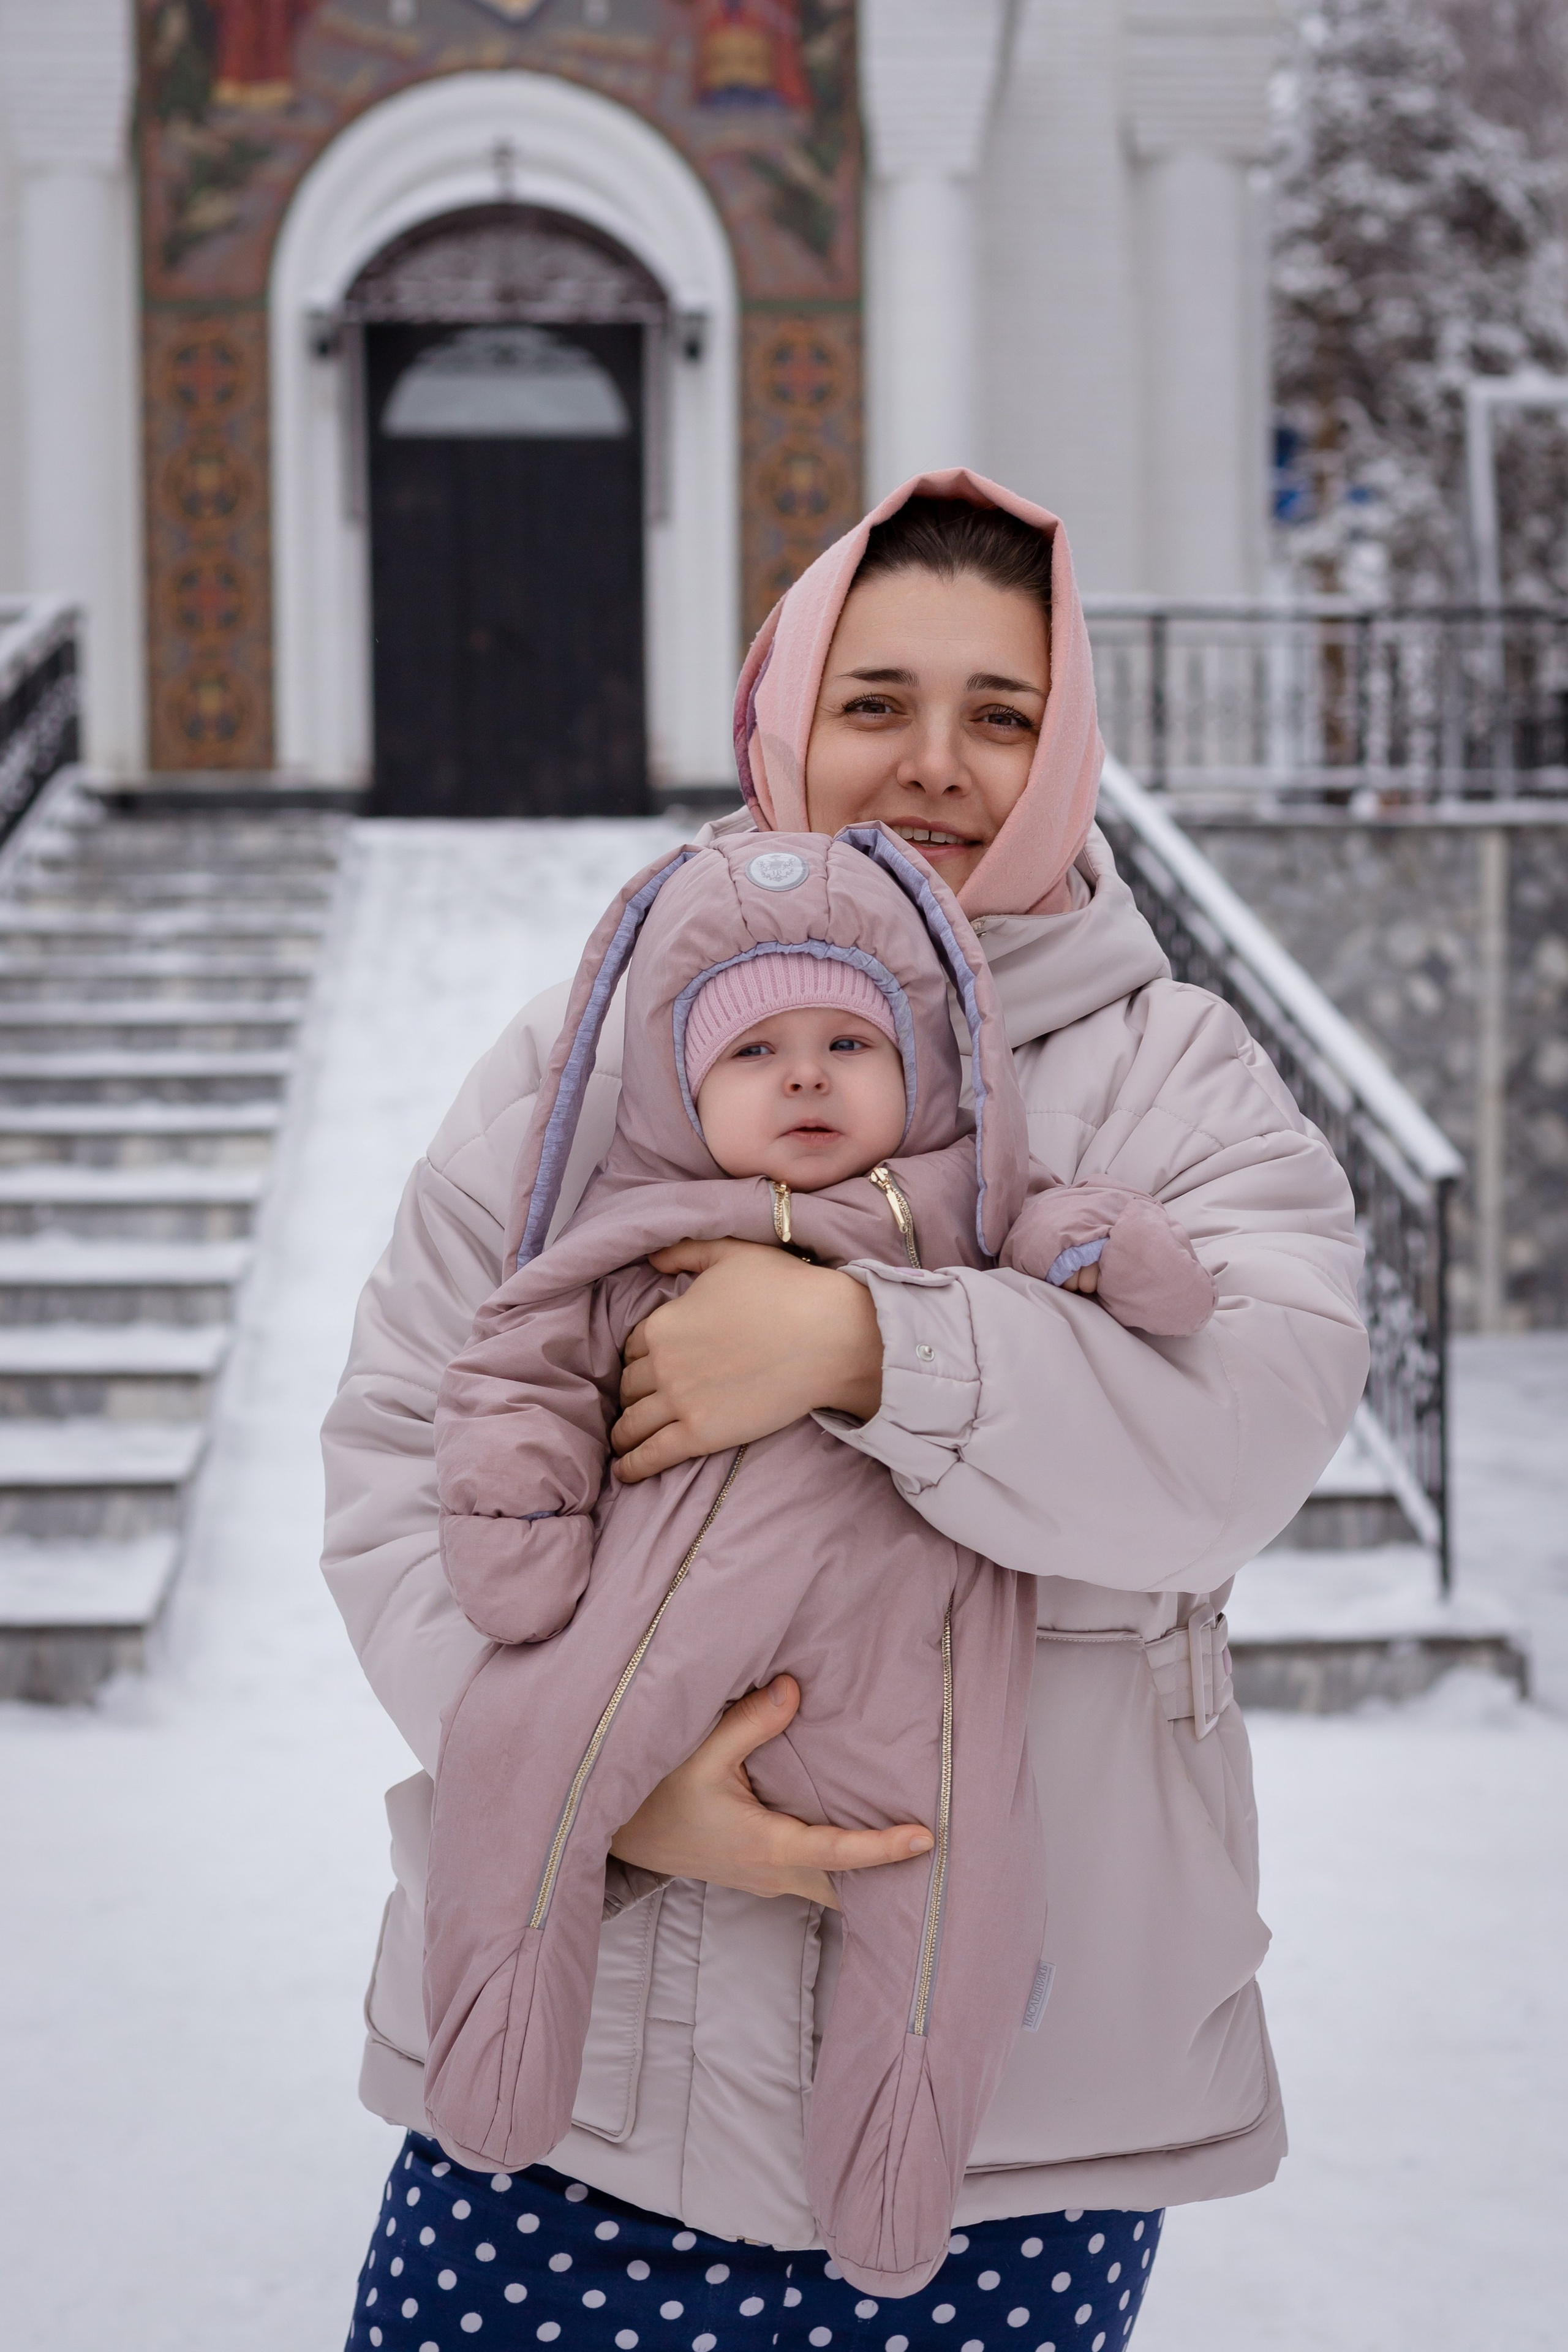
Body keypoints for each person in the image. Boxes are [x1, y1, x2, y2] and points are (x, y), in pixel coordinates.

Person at [323, 472, 1368, 2351]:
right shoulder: (590, 1062)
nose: (935, 766)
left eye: (1004, 714)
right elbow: (414, 1454)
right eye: (876, 701)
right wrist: (604, 1794)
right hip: (577, 2100)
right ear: (781, 716)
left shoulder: (1171, 1074)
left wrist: (868, 1349)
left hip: (1013, 2138)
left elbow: (1249, 1428)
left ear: (1068, 756)